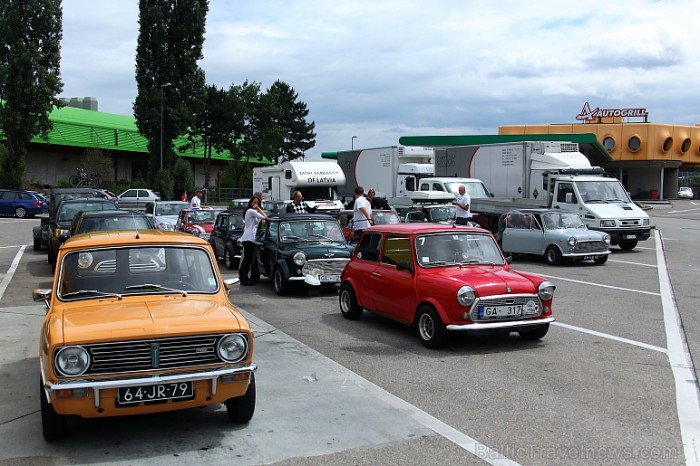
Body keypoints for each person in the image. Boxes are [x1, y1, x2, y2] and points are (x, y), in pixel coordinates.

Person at [238, 195, 268, 286]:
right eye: (254, 202)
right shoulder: (251, 211)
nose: (256, 204)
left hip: (250, 238)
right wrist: (258, 208)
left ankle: (245, 278)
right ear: (251, 203)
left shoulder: (251, 212)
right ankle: (244, 279)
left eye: (257, 203)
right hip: (248, 238)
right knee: (247, 260)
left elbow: (261, 222)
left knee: (248, 259)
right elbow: (265, 217)